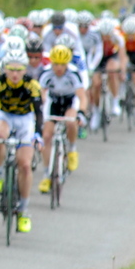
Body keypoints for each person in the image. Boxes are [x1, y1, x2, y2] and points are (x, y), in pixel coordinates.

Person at [0, 47, 43, 234]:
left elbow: (38, 112)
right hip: (5, 115)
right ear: (4, 69)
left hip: (25, 119)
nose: (15, 73)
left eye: (19, 69)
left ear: (25, 69)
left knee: (25, 165)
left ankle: (24, 211)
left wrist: (38, 134)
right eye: (11, 69)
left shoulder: (32, 85)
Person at [38, 45, 88, 190]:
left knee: (70, 121)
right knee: (47, 136)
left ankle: (72, 150)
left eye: (62, 64)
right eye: (56, 64)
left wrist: (81, 113)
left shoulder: (73, 73)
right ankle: (47, 175)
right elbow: (41, 96)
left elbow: (82, 97)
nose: (59, 68)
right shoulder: (46, 73)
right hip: (53, 103)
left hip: (69, 102)